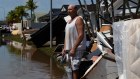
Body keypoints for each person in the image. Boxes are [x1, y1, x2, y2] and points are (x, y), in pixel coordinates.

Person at [61, 4, 86, 79]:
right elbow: (66, 36)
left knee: (75, 68)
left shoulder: (78, 19)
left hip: (77, 48)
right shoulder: (68, 21)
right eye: (68, 9)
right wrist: (64, 48)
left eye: (70, 9)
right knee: (68, 68)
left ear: (75, 9)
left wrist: (74, 48)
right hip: (69, 49)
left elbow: (81, 35)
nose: (68, 11)